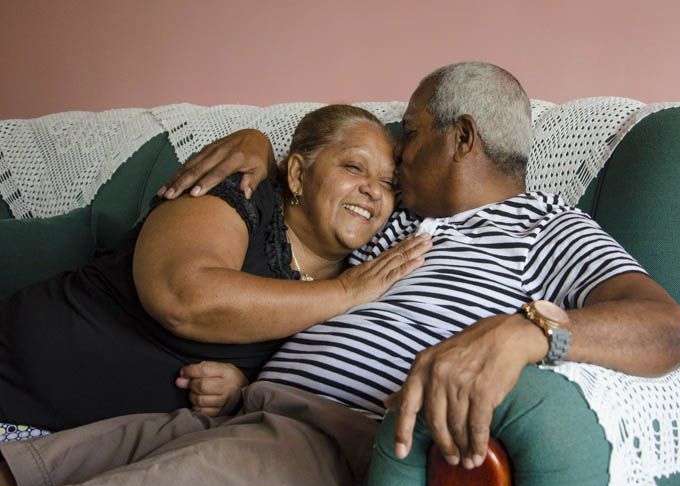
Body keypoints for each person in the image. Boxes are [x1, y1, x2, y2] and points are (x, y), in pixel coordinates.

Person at [0, 62, 680, 486]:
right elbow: (304, 203)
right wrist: (260, 143)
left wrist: (529, 332)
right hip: (229, 412)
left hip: (321, 440)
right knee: (23, 472)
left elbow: (669, 330)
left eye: (410, 137)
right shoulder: (393, 222)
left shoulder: (544, 228)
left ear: (459, 138)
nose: (392, 164)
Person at [0, 104, 428, 432]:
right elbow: (184, 298)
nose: (372, 190)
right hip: (17, 385)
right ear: (297, 174)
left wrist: (242, 389)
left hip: (93, 451)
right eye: (353, 167)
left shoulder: (366, 277)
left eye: (389, 184)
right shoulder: (238, 190)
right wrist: (345, 293)